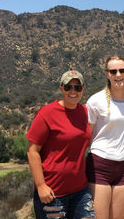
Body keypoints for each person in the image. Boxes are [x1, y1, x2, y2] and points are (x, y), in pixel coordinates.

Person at [26, 70, 95, 219]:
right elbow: (32, 151)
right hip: (52, 193)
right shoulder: (47, 113)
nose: (73, 91)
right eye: (68, 87)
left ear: (83, 89)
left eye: (77, 87)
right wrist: (41, 186)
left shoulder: (85, 112)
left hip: (81, 190)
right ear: (61, 88)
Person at [85, 55, 124, 219]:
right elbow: (86, 135)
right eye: (113, 71)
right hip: (100, 164)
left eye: (122, 70)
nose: (118, 75)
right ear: (107, 74)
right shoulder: (95, 101)